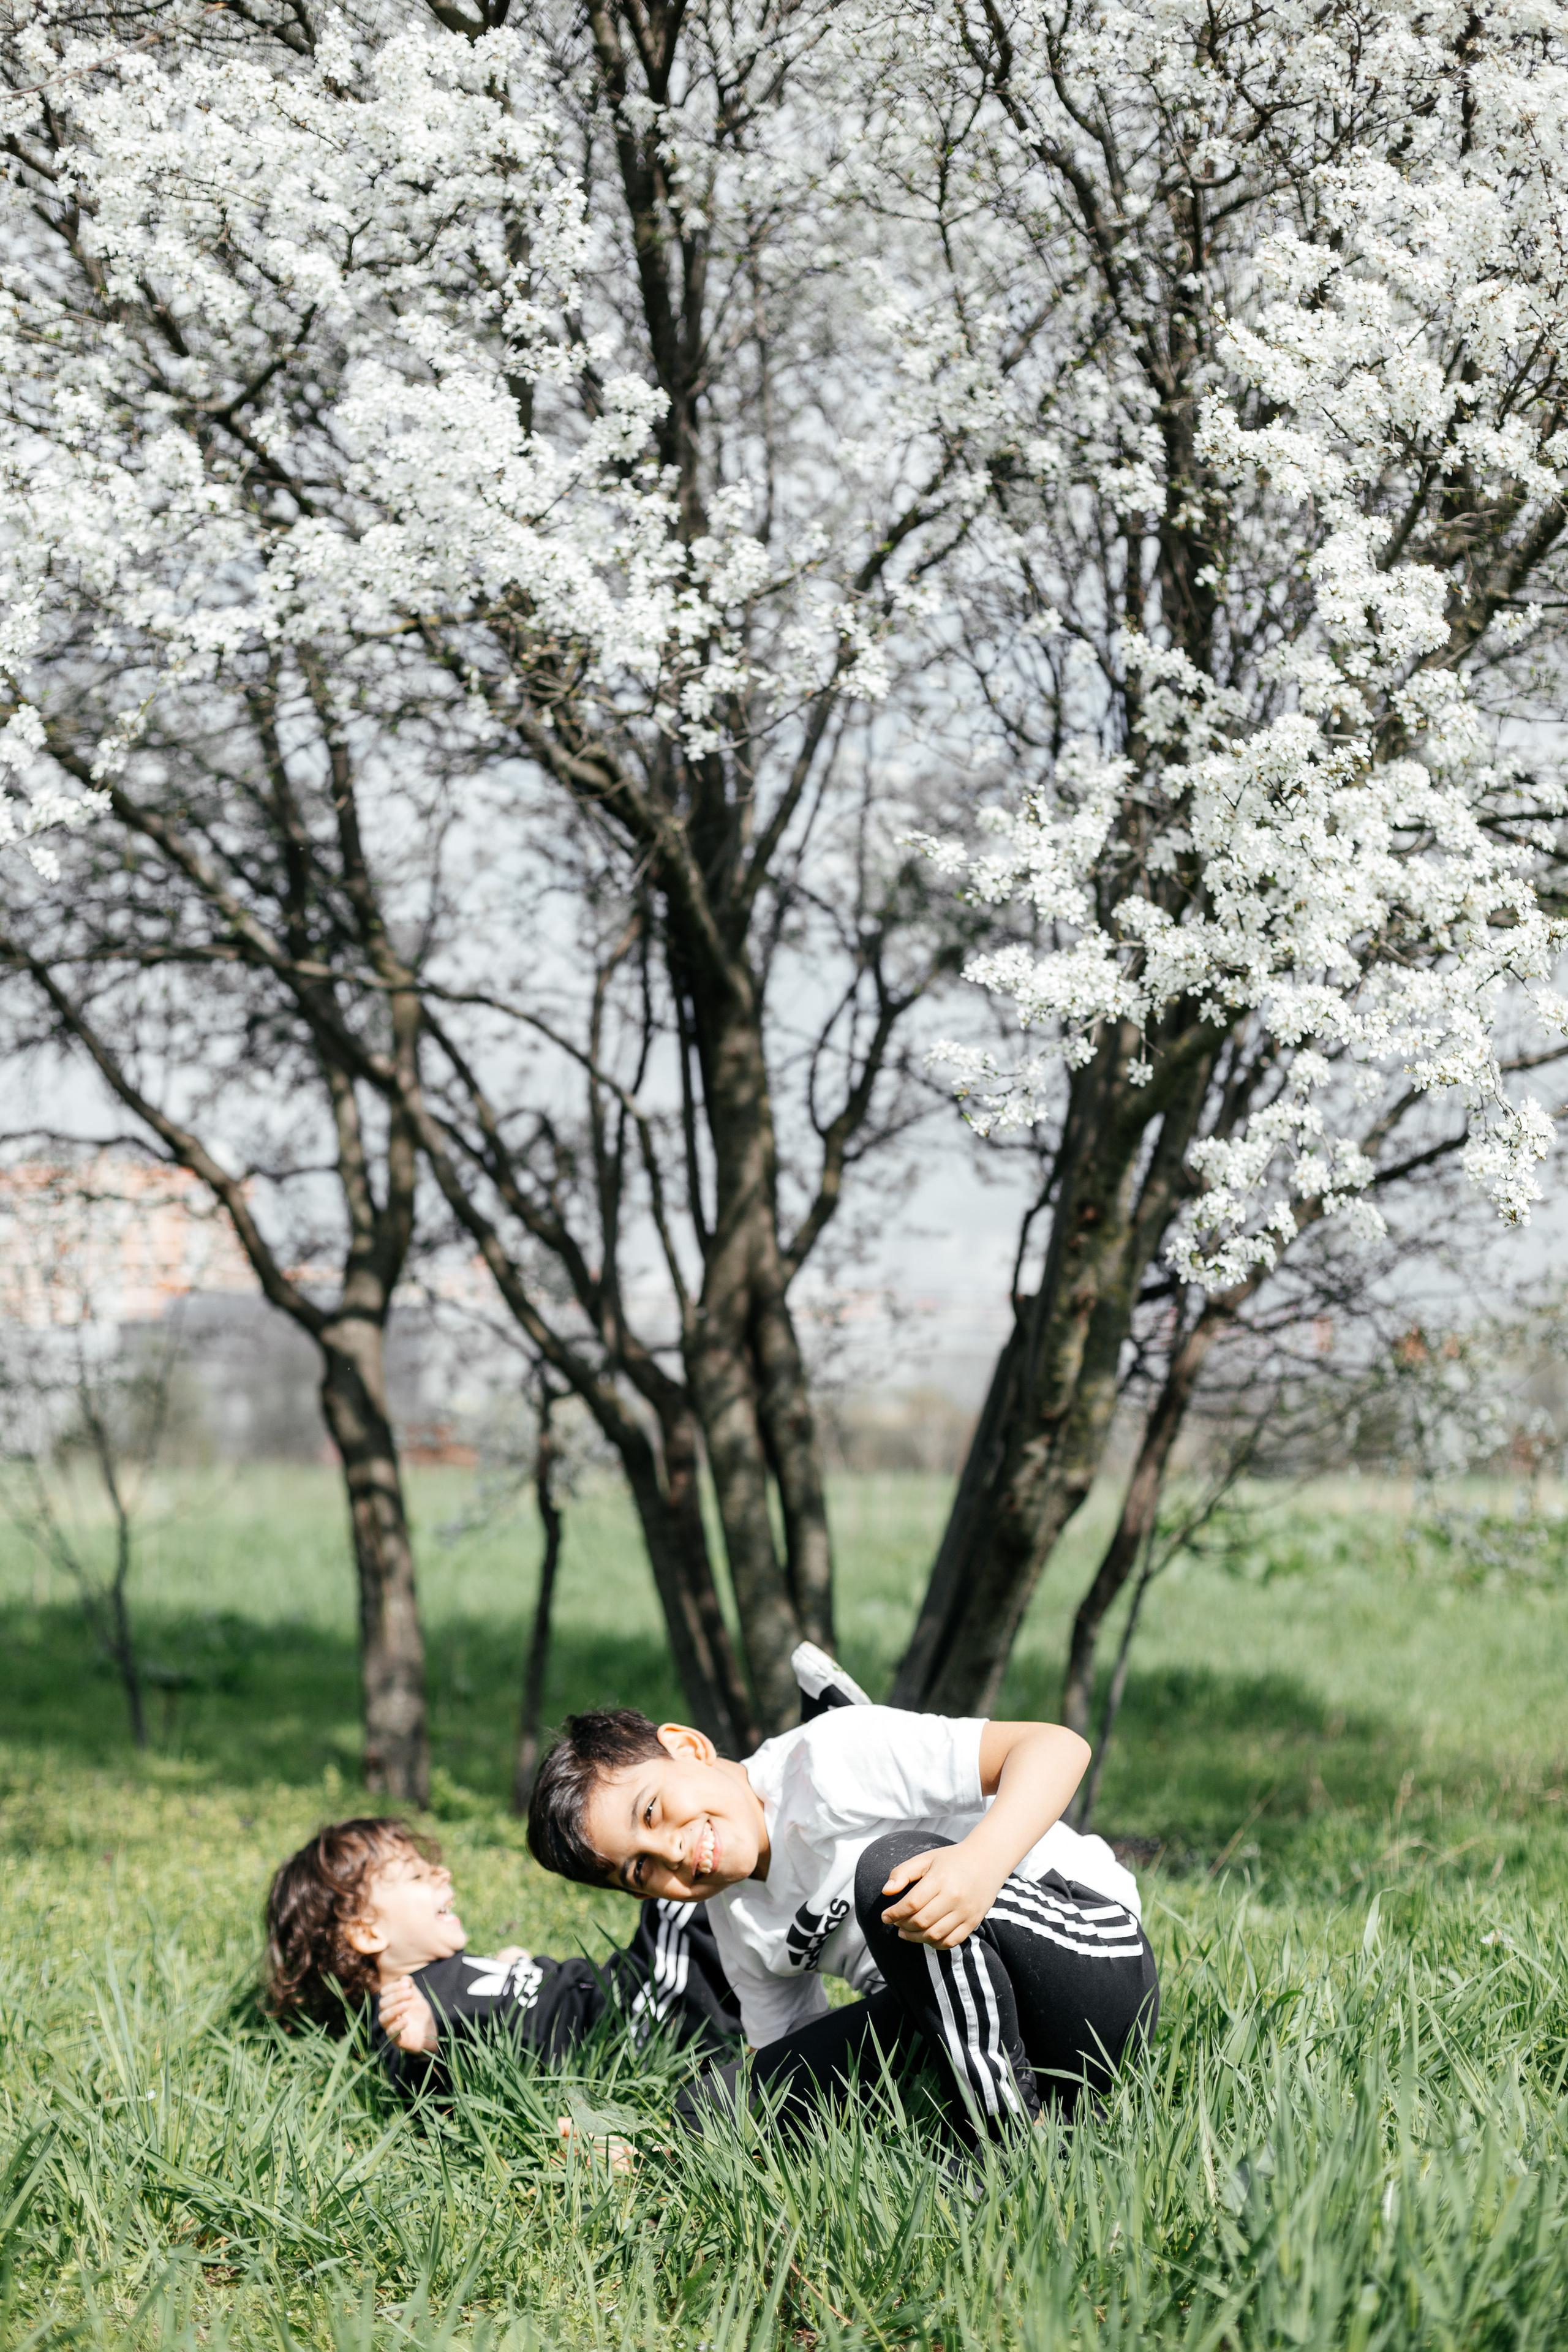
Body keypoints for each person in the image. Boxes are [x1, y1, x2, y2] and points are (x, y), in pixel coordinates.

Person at [526, 1684, 1159, 2148]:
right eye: (641, 1869)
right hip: (947, 2016)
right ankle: (1023, 2106)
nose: (673, 1851)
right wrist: (657, 2146)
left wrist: (980, 1865)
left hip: (1089, 1969)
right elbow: (791, 2061)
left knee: (891, 1875)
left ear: (687, 1748)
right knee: (715, 2109)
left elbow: (1055, 1746)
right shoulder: (737, 1921)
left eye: (652, 1812)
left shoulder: (826, 1761)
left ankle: (1004, 2137)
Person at [263, 1815, 741, 2101]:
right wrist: (426, 2047)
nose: (442, 1873)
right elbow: (422, 2084)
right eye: (416, 1877)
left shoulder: (443, 1974)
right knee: (687, 1887)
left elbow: (503, 2006)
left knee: (710, 1905)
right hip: (636, 2026)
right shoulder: (402, 2013)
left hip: (629, 2001)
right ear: (368, 1931)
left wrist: (518, 1967)